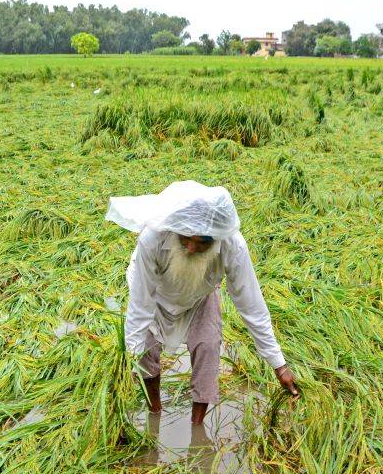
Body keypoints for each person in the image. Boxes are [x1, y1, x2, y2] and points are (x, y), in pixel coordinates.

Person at [106, 180, 298, 424]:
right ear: (176, 228)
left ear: (216, 238)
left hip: (200, 295)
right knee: (146, 351)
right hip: (155, 294)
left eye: (203, 242)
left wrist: (278, 365)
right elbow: (140, 305)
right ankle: (155, 410)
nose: (192, 248)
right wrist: (129, 361)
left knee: (208, 346)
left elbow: (251, 305)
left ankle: (197, 429)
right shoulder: (153, 239)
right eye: (186, 238)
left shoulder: (232, 244)